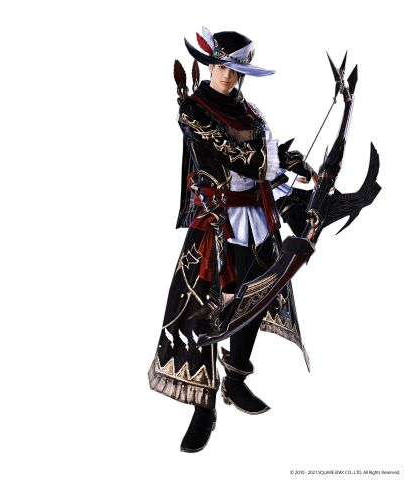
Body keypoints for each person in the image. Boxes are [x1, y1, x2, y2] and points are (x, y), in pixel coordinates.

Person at [148, 28, 314, 453]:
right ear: (210, 64)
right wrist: (274, 163)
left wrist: (299, 170)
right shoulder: (194, 109)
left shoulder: (252, 113)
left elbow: (269, 157)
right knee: (203, 310)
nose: (226, 75)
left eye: (234, 69)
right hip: (217, 224)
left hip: (257, 217)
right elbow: (235, 154)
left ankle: (236, 378)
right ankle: (203, 408)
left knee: (257, 293)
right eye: (221, 66)